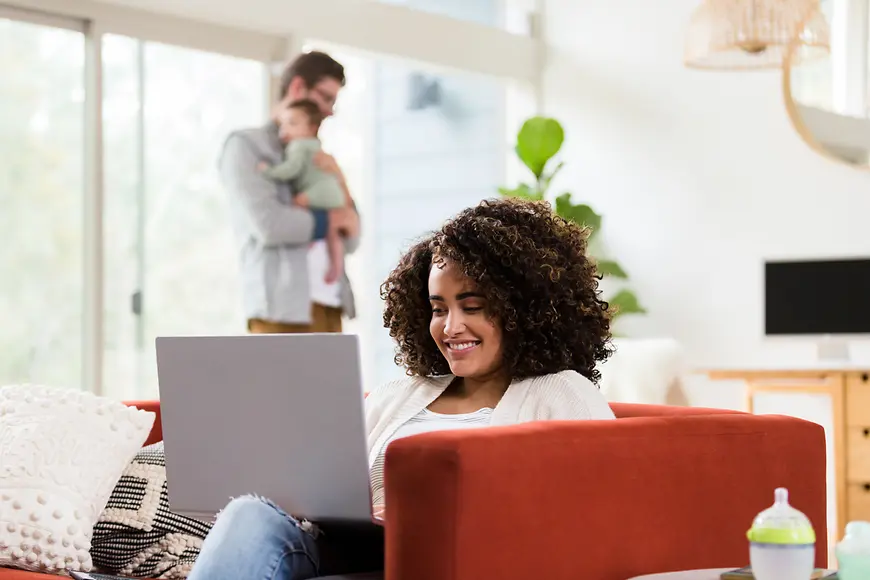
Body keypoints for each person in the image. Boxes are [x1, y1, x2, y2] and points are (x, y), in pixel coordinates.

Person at [187, 198, 616, 580]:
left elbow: (595, 521)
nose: (450, 328)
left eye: (472, 307)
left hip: (447, 565)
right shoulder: (400, 394)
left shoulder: (562, 394)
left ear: (525, 310)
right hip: (349, 553)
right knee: (249, 513)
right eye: (437, 309)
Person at [219, 51, 360, 335]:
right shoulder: (246, 146)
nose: (330, 111)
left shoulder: (318, 153)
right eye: (326, 97)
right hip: (280, 312)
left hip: (331, 305)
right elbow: (271, 226)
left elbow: (354, 236)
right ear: (297, 88)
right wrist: (332, 220)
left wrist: (341, 180)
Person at [260, 98, 348, 284]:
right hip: (331, 190)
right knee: (333, 230)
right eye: (283, 124)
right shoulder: (314, 145)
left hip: (321, 190)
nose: (285, 129)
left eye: (292, 123)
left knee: (298, 203)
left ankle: (308, 238)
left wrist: (268, 171)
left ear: (311, 128)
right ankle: (337, 264)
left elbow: (291, 169)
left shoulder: (298, 146)